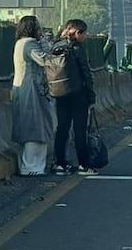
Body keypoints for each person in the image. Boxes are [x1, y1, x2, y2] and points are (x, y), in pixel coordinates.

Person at [49, 19, 98, 175]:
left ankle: (59, 163)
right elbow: (85, 72)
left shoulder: (56, 46)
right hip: (78, 95)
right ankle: (84, 164)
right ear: (77, 33)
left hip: (60, 93)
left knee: (62, 128)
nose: (85, 36)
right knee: (79, 130)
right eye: (84, 33)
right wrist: (91, 95)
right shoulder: (77, 48)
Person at [11, 16, 55, 175]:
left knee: (28, 124)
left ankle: (29, 165)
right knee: (35, 126)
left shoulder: (20, 43)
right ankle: (32, 166)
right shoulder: (30, 44)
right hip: (31, 88)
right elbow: (45, 60)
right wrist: (45, 44)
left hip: (23, 87)